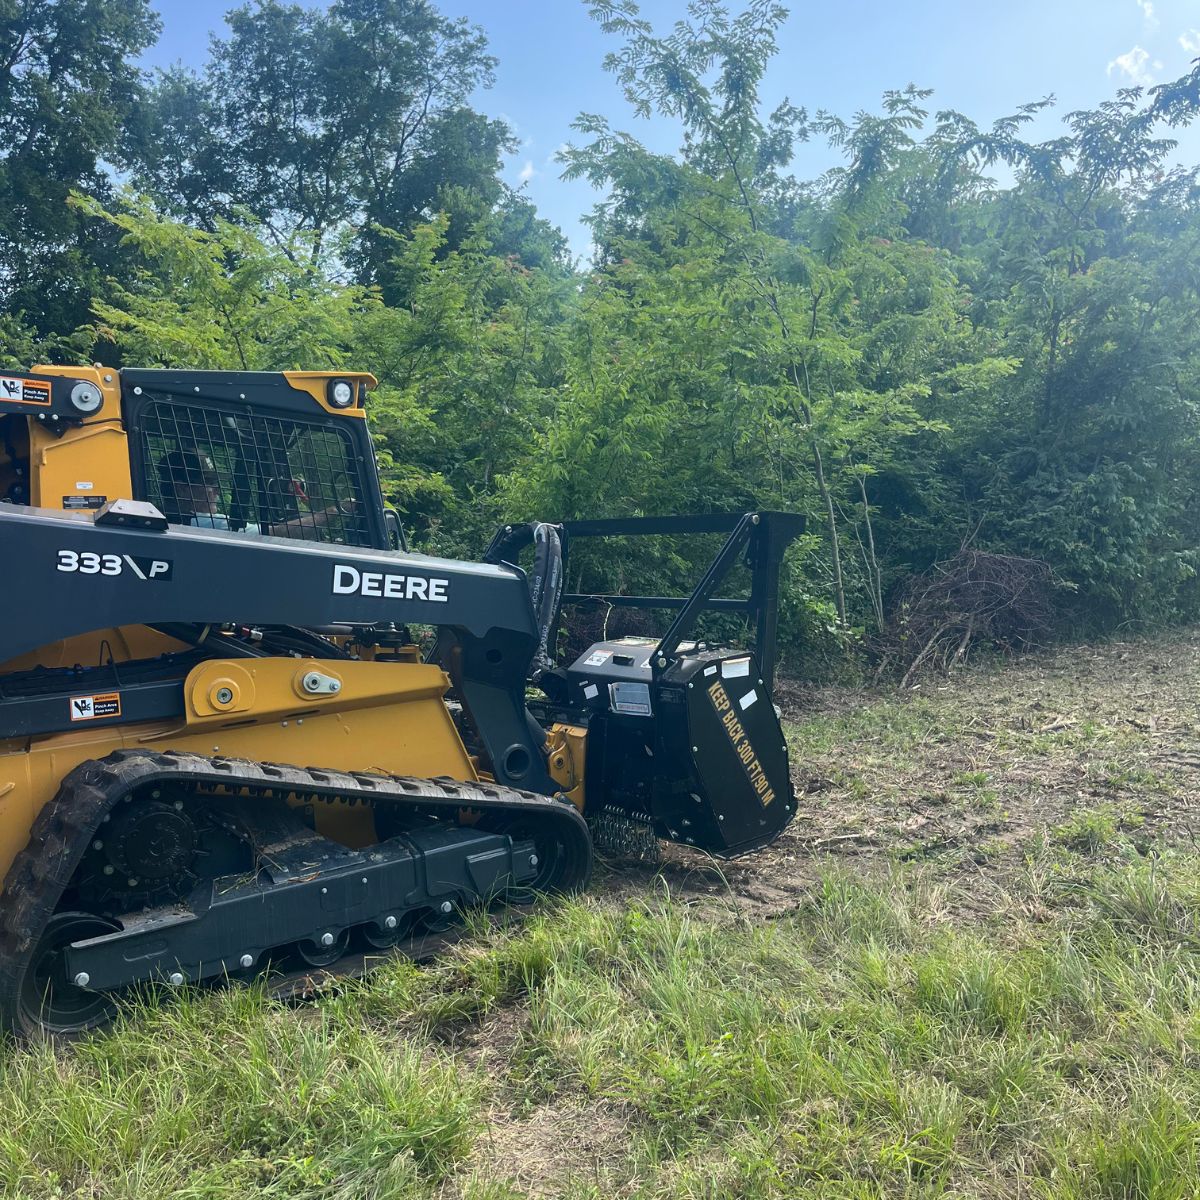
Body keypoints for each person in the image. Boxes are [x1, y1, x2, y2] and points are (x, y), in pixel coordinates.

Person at [156, 448, 349, 536]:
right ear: (181, 488)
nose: (217, 491)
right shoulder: (204, 525)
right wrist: (337, 510)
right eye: (208, 483)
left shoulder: (162, 517)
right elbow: (276, 532)